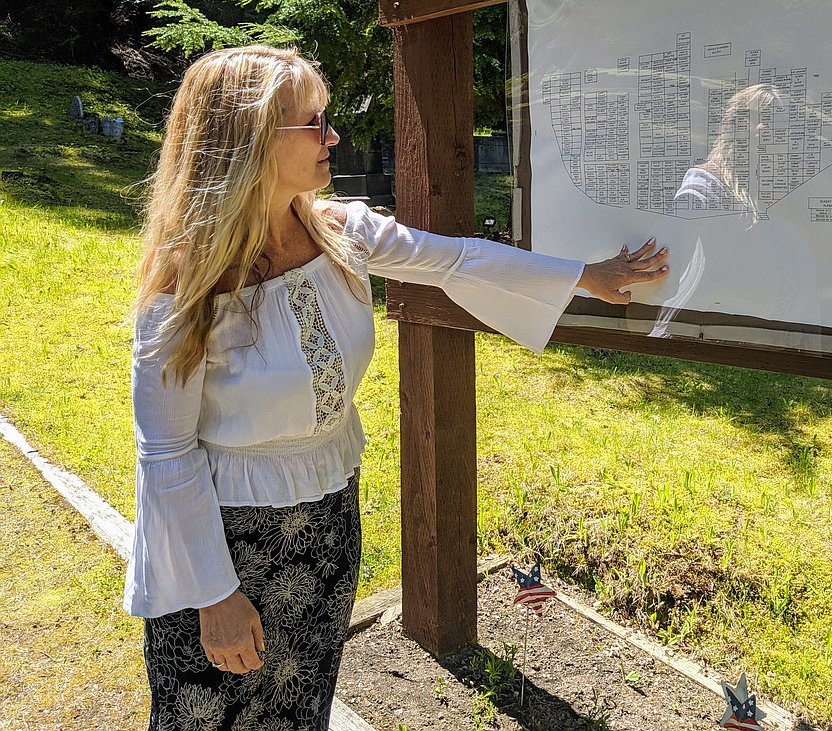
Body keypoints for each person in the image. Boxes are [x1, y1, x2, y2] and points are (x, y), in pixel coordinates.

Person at [123, 45, 668, 730]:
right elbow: (166, 453)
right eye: (314, 123)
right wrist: (214, 596)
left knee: (300, 712)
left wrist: (585, 275)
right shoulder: (185, 287)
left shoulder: (339, 233)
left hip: (324, 528)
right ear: (253, 141)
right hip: (222, 550)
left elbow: (458, 259)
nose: (334, 136)